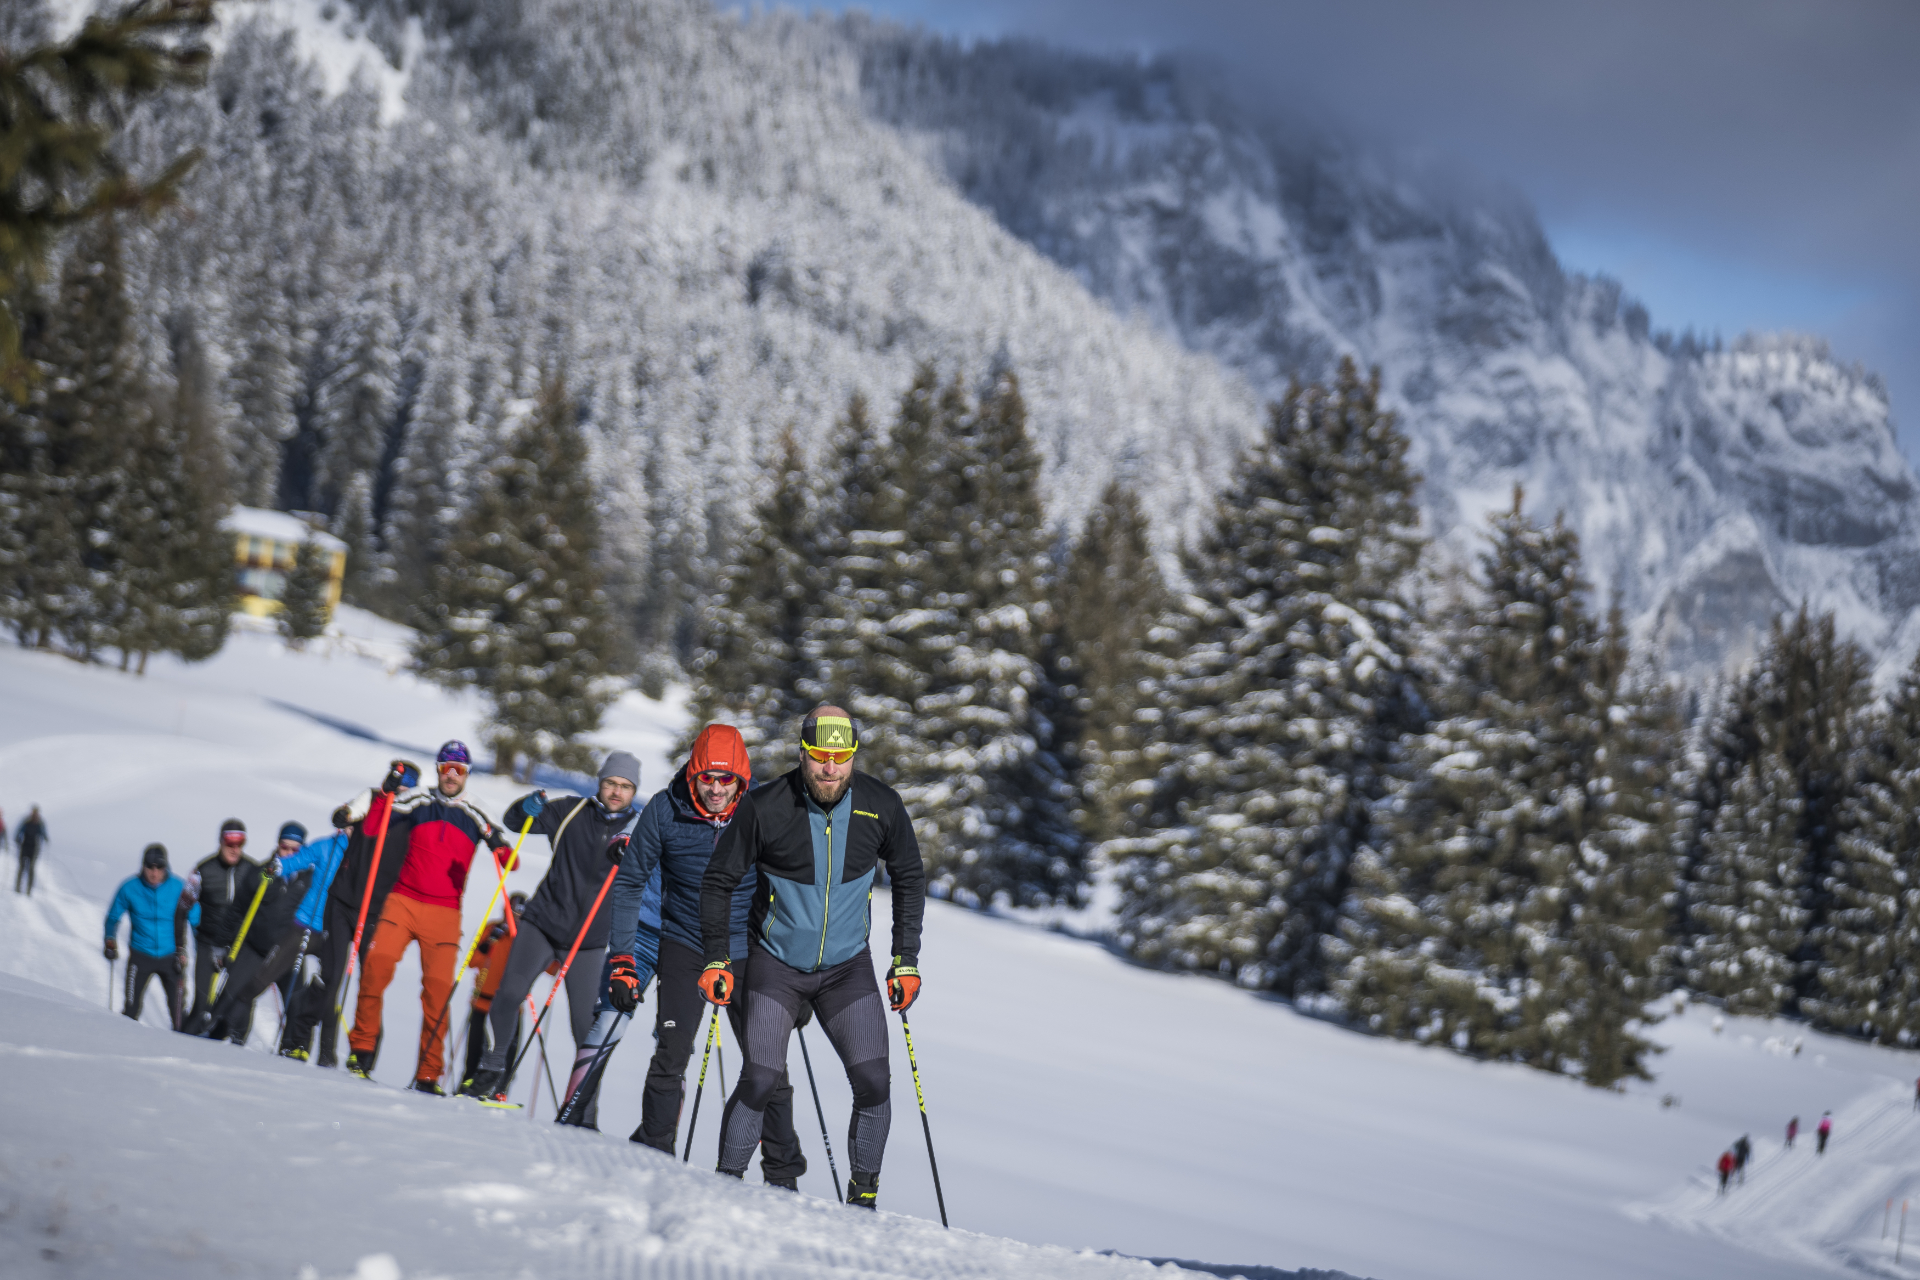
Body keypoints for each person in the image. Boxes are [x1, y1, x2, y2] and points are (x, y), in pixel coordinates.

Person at [699, 707, 926, 1209]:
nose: (831, 769)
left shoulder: (880, 805)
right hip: (775, 965)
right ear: (803, 754)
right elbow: (718, 880)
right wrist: (717, 957)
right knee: (760, 1078)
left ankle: (862, 1197)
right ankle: (723, 1189)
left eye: (841, 759)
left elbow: (909, 875)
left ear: (853, 758)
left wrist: (905, 958)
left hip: (846, 969)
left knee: (873, 1081)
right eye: (821, 758)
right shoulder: (766, 806)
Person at [616, 725, 804, 1183]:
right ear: (694, 774)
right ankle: (655, 1154)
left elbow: (795, 891)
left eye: (728, 781)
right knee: (672, 1050)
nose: (717, 790)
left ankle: (782, 1174)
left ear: (742, 780)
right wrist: (623, 960)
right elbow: (629, 882)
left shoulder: (765, 813)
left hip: (747, 950)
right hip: (684, 942)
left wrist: (798, 977)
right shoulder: (664, 809)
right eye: (708, 779)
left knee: (768, 1062)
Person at [456, 751, 644, 1114]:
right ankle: (491, 1072)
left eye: (625, 786)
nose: (616, 791)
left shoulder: (638, 829)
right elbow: (515, 821)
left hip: (589, 941)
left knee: (583, 1026)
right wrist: (525, 806)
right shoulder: (570, 811)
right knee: (507, 995)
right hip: (542, 923)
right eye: (611, 783)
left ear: (633, 790)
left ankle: (583, 1107)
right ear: (600, 783)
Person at [347, 741, 510, 1091]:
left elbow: (508, 856)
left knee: (437, 992)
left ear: (467, 774)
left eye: (459, 770)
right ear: (437, 769)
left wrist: (501, 848)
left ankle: (428, 1074)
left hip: (444, 912)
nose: (451, 775)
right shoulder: (418, 799)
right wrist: (385, 795)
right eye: (446, 768)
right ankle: (361, 1049)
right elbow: (375, 826)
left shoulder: (476, 810)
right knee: (377, 964)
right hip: (402, 901)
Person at [290, 759, 420, 1068]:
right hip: (344, 902)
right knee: (331, 977)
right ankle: (297, 1040)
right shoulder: (371, 798)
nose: (396, 789)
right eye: (394, 781)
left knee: (371, 984)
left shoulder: (415, 816)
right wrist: (351, 812)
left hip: (378, 911)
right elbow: (340, 817)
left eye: (403, 785)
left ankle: (364, 1056)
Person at [204, 822, 345, 1051]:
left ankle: (292, 1051)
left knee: (296, 1002)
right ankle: (221, 1039)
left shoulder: (310, 879)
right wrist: (221, 944)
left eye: (294, 849)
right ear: (277, 846)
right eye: (284, 847)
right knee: (234, 995)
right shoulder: (266, 872)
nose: (288, 853)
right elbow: (237, 910)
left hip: (288, 950)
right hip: (257, 946)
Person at [180, 818, 265, 1032]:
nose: (235, 849)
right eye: (230, 843)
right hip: (209, 944)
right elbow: (181, 909)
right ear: (220, 841)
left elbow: (267, 909)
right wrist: (179, 947)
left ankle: (234, 1053)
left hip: (240, 948)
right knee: (201, 1008)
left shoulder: (253, 870)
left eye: (240, 844)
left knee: (239, 1007)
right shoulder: (203, 870)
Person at [104, 845, 197, 1028]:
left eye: (159, 868)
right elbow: (113, 917)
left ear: (166, 867)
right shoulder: (129, 887)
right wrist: (110, 940)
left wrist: (202, 945)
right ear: (143, 866)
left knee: (178, 1014)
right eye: (150, 867)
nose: (154, 873)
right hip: (140, 955)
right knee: (131, 1009)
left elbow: (195, 918)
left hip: (171, 957)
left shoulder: (179, 887)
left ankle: (183, 1052)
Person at [460, 892, 528, 1086]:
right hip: (482, 1003)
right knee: (474, 1057)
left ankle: (499, 1092)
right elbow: (473, 961)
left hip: (511, 1008)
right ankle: (466, 1087)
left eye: (520, 915)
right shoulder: (492, 929)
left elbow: (550, 968)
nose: (515, 918)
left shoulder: (527, 938)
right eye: (512, 913)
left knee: (504, 1062)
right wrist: (489, 941)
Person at [15, 804, 47, 896]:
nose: (35, 813)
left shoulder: (39, 823)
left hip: (34, 848)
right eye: (34, 811)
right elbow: (20, 830)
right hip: (25, 846)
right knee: (22, 867)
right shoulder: (27, 821)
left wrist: (45, 837)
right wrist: (18, 837)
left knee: (31, 869)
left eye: (36, 811)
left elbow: (43, 832)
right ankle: (18, 888)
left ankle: (29, 890)